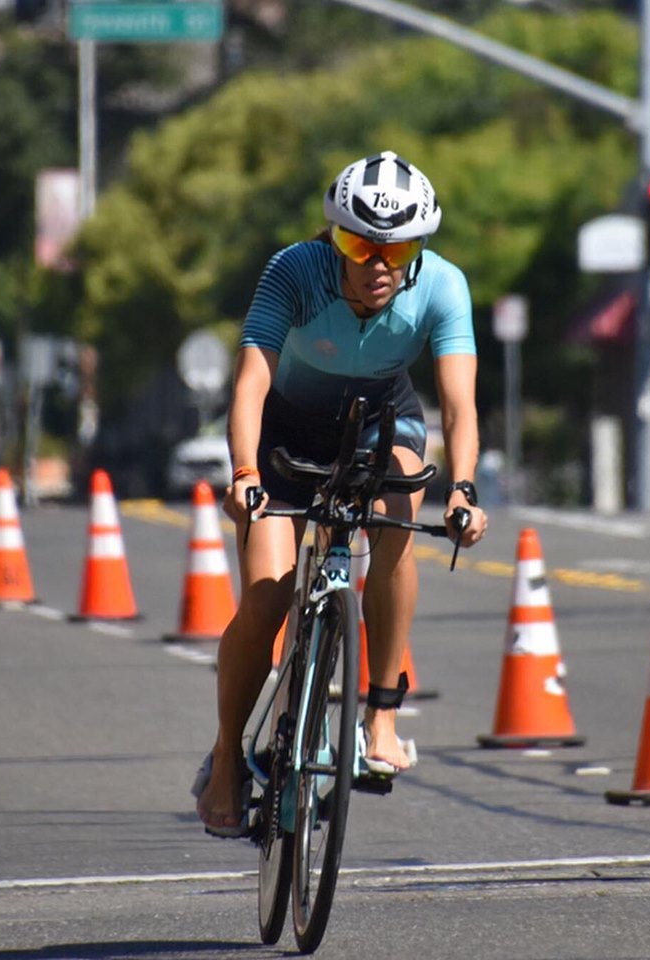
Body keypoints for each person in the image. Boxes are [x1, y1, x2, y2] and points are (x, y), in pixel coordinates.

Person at [194, 151, 489, 838]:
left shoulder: (444, 286)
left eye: (398, 246)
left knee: (396, 522)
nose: (378, 263)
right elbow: (249, 385)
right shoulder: (294, 271)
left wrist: (465, 490)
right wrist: (242, 477)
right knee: (267, 595)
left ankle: (381, 715)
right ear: (334, 237)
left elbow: (461, 406)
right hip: (286, 432)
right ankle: (227, 759)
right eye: (359, 244)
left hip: (383, 419)